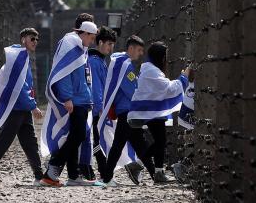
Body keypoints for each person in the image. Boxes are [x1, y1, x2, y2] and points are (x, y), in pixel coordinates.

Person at [0, 28, 44, 185]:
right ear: (23, 39)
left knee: (29, 142)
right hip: (16, 108)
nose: (35, 42)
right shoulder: (19, 58)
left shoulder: (21, 57)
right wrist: (33, 106)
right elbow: (19, 88)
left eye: (37, 40)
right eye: (32, 39)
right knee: (5, 142)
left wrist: (30, 105)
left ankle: (39, 176)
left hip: (21, 109)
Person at [40, 21, 98, 187]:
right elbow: (63, 75)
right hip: (75, 100)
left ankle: (73, 176)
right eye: (92, 38)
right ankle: (53, 169)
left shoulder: (80, 48)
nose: (92, 42)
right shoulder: (71, 46)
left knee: (75, 136)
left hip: (82, 100)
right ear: (85, 33)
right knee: (77, 135)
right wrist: (66, 98)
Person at [127, 42, 191, 183]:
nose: (165, 60)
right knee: (161, 141)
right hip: (151, 111)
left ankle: (153, 171)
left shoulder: (150, 69)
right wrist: (184, 78)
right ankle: (142, 167)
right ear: (160, 57)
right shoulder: (151, 71)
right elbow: (167, 88)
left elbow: (161, 88)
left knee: (160, 141)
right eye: (164, 56)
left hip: (151, 110)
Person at [98, 35, 156, 187]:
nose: (140, 53)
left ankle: (156, 174)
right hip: (128, 112)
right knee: (122, 146)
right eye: (138, 50)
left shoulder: (119, 62)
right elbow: (132, 90)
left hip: (127, 112)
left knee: (139, 146)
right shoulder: (125, 66)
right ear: (130, 48)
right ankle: (107, 178)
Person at [78, 26, 117, 180]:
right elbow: (96, 89)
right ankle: (102, 170)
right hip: (95, 109)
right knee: (96, 140)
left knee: (96, 139)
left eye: (112, 45)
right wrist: (100, 108)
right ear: (100, 42)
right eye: (109, 44)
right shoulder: (95, 62)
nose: (111, 48)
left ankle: (97, 169)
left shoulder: (99, 60)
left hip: (96, 108)